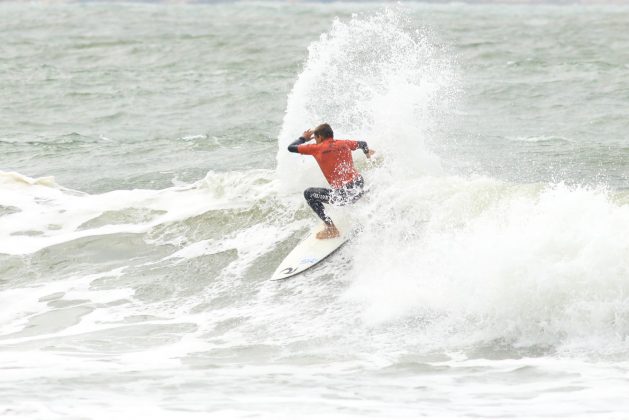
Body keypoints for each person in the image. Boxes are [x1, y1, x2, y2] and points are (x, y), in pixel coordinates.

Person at [288, 123, 375, 239]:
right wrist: (367, 153)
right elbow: (363, 144)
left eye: (315, 137)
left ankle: (331, 229)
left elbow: (291, 147)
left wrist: (303, 138)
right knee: (349, 184)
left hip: (345, 196)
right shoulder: (344, 143)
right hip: (358, 185)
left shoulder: (316, 148)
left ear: (319, 137)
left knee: (308, 194)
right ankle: (365, 197)